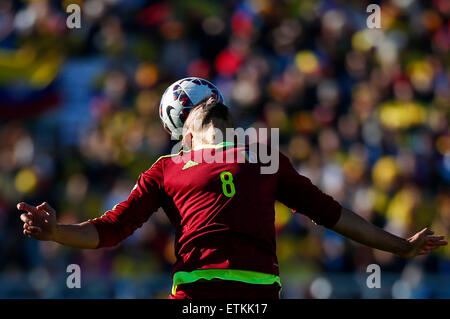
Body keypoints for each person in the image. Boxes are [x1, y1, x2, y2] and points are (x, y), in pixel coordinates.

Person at [17, 98, 447, 299]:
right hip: (194, 295)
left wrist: (399, 245)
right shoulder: (165, 169)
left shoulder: (266, 157)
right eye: (195, 106)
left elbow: (332, 215)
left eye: (211, 100)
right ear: (183, 135)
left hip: (257, 297)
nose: (205, 104)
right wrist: (57, 233)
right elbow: (111, 230)